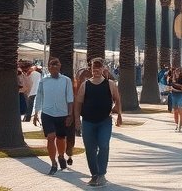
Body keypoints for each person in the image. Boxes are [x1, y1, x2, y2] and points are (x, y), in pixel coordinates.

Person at [73, 58, 122, 187]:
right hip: (88, 122)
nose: (96, 70)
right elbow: (78, 103)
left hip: (104, 121)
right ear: (91, 69)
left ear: (103, 69)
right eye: (94, 68)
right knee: (90, 149)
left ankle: (101, 174)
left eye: (99, 67)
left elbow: (117, 99)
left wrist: (119, 115)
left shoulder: (110, 84)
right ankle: (94, 174)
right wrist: (77, 120)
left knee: (104, 145)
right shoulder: (85, 85)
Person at [32, 58, 74, 175]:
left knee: (61, 138)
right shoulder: (44, 81)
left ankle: (61, 156)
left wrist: (70, 115)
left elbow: (70, 98)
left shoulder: (66, 80)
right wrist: (36, 113)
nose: (54, 67)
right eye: (52, 65)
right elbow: (39, 96)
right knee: (51, 137)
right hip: (47, 114)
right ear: (49, 67)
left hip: (62, 114)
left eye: (56, 65)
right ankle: (53, 163)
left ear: (60, 66)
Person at [167, 67, 182, 131]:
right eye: (176, 71)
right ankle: (176, 124)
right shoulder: (171, 79)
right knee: (175, 111)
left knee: (180, 109)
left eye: (179, 72)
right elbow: (169, 88)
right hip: (174, 95)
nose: (177, 73)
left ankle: (180, 126)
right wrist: (177, 89)